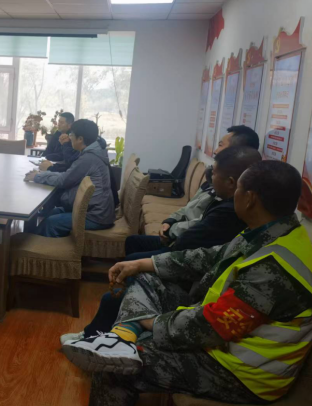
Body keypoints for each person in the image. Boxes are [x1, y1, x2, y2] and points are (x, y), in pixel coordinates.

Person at [62, 160, 312, 406]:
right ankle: (120, 338)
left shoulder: (275, 268)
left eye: (238, 189)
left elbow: (211, 327)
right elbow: (209, 256)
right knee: (144, 277)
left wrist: (151, 322)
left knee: (113, 368)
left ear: (250, 199)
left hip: (240, 372)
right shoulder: (273, 232)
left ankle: (121, 341)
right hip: (221, 335)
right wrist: (143, 263)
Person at [66, 146, 263, 340]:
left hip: (195, 292)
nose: (210, 174)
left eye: (215, 172)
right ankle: (106, 329)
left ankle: (100, 335)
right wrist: (169, 224)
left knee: (118, 290)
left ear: (236, 187)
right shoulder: (235, 214)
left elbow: (191, 246)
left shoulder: (230, 213)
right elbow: (195, 232)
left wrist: (151, 321)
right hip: (188, 264)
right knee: (132, 261)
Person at [127, 125, 261, 257]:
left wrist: (171, 232)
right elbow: (189, 207)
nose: (215, 151)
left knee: (132, 259)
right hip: (179, 237)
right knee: (132, 242)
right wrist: (170, 220)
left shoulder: (227, 199)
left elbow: (198, 230)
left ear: (237, 152)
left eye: (220, 145)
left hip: (184, 246)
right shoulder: (214, 181)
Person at [26, 119, 114, 237]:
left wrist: (37, 176)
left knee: (51, 222)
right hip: (95, 211)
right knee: (51, 213)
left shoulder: (89, 158)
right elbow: (67, 175)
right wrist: (41, 175)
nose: (69, 137)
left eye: (71, 134)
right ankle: (32, 241)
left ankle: (38, 245)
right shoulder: (93, 152)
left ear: (80, 139)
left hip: (96, 216)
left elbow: (63, 180)